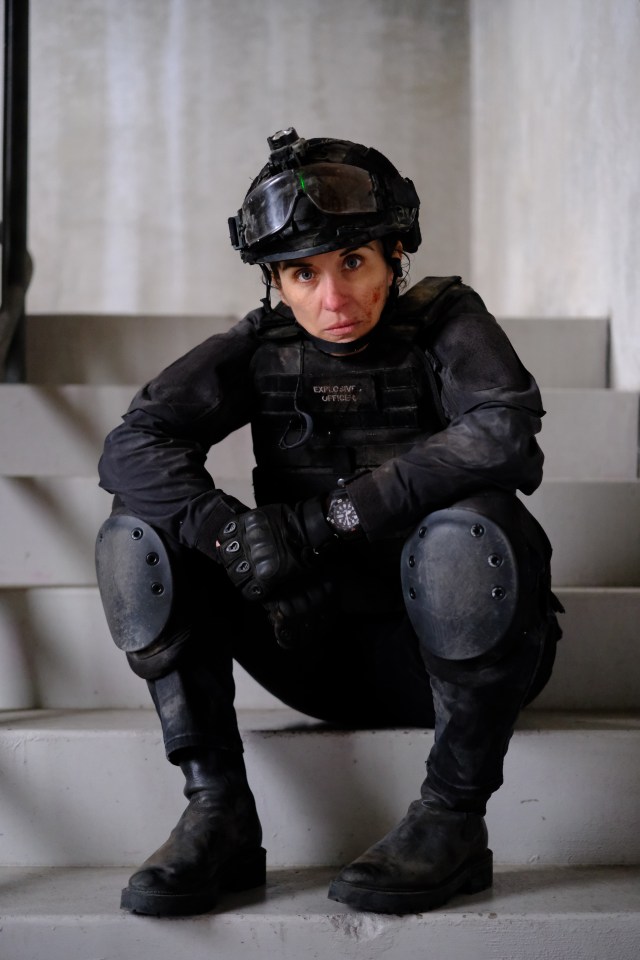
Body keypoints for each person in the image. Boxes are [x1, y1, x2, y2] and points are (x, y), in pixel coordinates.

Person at [96, 127, 562, 918]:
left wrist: (318, 527)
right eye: (302, 274)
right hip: (311, 646)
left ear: (395, 252)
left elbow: (502, 434)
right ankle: (219, 813)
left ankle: (453, 820)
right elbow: (133, 444)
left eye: (352, 263)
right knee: (138, 534)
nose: (332, 299)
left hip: (461, 653)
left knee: (472, 524)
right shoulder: (263, 345)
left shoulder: (446, 321)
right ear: (276, 281)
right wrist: (232, 537)